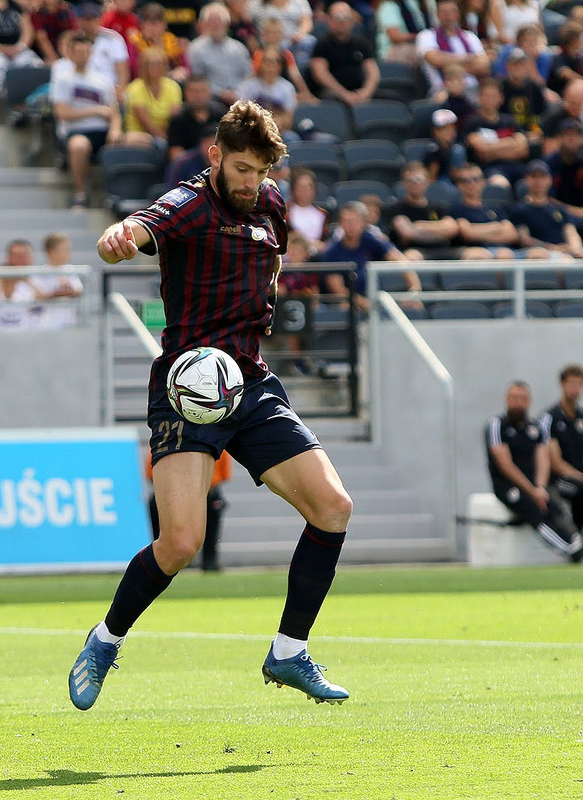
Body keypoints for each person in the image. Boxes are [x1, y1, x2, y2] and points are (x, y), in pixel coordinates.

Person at [71, 100, 354, 710]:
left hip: (247, 383)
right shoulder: (188, 204)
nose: (253, 182)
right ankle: (104, 638)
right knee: (180, 543)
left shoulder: (272, 205)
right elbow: (134, 232)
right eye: (244, 169)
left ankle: (287, 652)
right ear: (217, 156)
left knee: (332, 507)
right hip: (187, 387)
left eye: (262, 171)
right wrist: (118, 239)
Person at [486, 380, 583, 562]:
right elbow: (505, 465)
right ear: (506, 399)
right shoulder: (497, 425)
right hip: (508, 486)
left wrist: (540, 486)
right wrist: (532, 491)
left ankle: (578, 542)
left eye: (522, 398)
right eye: (514, 398)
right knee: (534, 510)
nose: (517, 403)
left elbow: (543, 459)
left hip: (534, 485)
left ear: (529, 401)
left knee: (554, 506)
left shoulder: (535, 428)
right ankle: (573, 551)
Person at [51, 32, 121, 208]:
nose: (83, 55)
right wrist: (95, 110)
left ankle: (119, 193)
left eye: (86, 52)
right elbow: (62, 113)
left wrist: (115, 130)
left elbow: (114, 111)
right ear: (71, 53)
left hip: (103, 131)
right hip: (77, 131)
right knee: (79, 146)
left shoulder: (103, 81)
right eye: (79, 52)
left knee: (141, 141)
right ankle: (80, 193)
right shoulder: (63, 79)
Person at [538, 364, 583, 534]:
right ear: (562, 385)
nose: (575, 389)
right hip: (558, 479)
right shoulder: (550, 417)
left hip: (582, 476)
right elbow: (555, 462)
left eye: (579, 384)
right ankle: (578, 534)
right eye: (571, 383)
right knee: (581, 489)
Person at [321, 200, 418, 306]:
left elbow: (399, 259)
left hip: (374, 296)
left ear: (364, 223)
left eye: (355, 221)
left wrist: (414, 289)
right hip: (349, 302)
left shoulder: (371, 240)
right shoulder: (332, 251)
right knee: (345, 306)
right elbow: (338, 289)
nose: (350, 225)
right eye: (346, 221)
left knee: (414, 306)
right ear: (340, 223)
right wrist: (363, 303)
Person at [146, 451, 232, 571]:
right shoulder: (218, 444)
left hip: (193, 492)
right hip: (200, 491)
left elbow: (151, 473)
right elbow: (225, 474)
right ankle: (207, 561)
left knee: (208, 529)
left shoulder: (164, 442)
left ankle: (205, 561)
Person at [389, 160, 489, 260]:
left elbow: (452, 228)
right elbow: (408, 233)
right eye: (411, 180)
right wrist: (439, 232)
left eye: (419, 179)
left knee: (481, 254)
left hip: (444, 249)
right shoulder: (397, 208)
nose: (415, 184)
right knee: (411, 257)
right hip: (417, 250)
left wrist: (418, 225)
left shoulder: (439, 207)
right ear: (403, 183)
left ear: (427, 182)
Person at [509, 159, 583, 260]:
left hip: (565, 251)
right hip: (544, 253)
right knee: (561, 259)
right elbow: (525, 240)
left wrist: (576, 249)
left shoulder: (559, 209)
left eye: (542, 177)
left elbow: (571, 232)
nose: (538, 181)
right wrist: (554, 248)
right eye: (534, 176)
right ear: (527, 179)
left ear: (549, 180)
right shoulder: (520, 209)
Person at [309, 2, 380, 107]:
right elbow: (320, 74)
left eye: (346, 17)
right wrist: (344, 94)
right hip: (333, 93)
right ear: (329, 20)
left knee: (393, 98)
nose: (342, 21)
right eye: (337, 17)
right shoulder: (322, 44)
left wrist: (365, 92)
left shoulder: (362, 43)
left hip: (359, 91)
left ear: (352, 20)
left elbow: (373, 73)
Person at [463, 77, 529, 189]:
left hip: (516, 167)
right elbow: (483, 151)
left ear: (501, 99)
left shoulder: (510, 121)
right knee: (499, 184)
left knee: (534, 182)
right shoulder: (472, 122)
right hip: (490, 169)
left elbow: (523, 150)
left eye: (493, 96)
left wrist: (493, 149)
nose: (489, 100)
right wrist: (511, 142)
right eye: (486, 96)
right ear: (479, 98)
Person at [417, 0, 490, 96]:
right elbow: (434, 59)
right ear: (438, 14)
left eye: (452, 11)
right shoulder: (427, 35)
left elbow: (483, 65)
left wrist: (451, 68)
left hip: (473, 89)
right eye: (444, 12)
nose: (449, 15)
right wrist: (468, 58)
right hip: (443, 91)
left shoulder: (470, 36)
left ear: (458, 14)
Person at [448, 161, 520, 258]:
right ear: (459, 185)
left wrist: (478, 230)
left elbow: (512, 234)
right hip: (475, 252)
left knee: (535, 253)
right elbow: (468, 233)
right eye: (465, 180)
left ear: (483, 182)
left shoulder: (496, 208)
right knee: (482, 255)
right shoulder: (456, 209)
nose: (471, 183)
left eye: (475, 179)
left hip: (503, 251)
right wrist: (497, 227)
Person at [189, 3, 253, 106]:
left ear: (227, 24)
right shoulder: (195, 49)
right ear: (204, 24)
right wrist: (221, 93)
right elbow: (197, 79)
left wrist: (237, 92)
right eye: (212, 21)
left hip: (239, 97)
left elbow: (248, 76)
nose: (216, 25)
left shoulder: (239, 48)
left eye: (219, 21)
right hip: (210, 100)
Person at [121, 46, 183, 148]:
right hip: (140, 133)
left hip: (167, 132)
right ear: (144, 66)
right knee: (160, 144)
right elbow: (144, 121)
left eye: (160, 64)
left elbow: (174, 117)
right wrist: (162, 136)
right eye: (152, 64)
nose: (157, 67)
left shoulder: (173, 87)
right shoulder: (135, 88)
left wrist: (167, 135)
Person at [235, 45, 298, 133]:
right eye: (267, 61)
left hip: (279, 132)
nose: (270, 66)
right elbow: (240, 114)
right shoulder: (247, 86)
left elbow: (288, 120)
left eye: (275, 62)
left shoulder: (287, 88)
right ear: (260, 63)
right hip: (252, 131)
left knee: (291, 137)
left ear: (280, 65)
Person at [166, 74, 227, 162]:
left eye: (202, 90)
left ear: (209, 92)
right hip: (190, 166)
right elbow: (175, 154)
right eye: (194, 91)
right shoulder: (178, 119)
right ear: (185, 94)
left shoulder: (221, 114)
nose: (198, 95)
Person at [540, 78, 583, 158]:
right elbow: (549, 153)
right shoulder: (555, 116)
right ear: (565, 96)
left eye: (578, 104)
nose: (572, 107)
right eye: (571, 102)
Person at [32, 230, 83, 329]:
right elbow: (37, 295)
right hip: (47, 325)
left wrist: (69, 290)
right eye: (64, 250)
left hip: (69, 323)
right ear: (51, 252)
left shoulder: (70, 270)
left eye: (68, 250)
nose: (68, 253)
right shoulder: (41, 273)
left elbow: (79, 290)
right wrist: (54, 294)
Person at [127, 2, 189, 82]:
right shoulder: (135, 43)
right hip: (144, 83)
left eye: (157, 22)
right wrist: (169, 74)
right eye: (149, 23)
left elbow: (185, 67)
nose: (153, 27)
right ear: (142, 24)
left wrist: (181, 71)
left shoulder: (173, 41)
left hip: (172, 83)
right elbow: (136, 71)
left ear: (165, 24)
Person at [500, 46, 547, 137]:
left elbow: (542, 114)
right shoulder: (500, 87)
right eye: (514, 64)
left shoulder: (535, 87)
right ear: (507, 66)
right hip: (506, 135)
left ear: (526, 66)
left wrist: (536, 131)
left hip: (531, 134)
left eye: (521, 64)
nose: (517, 67)